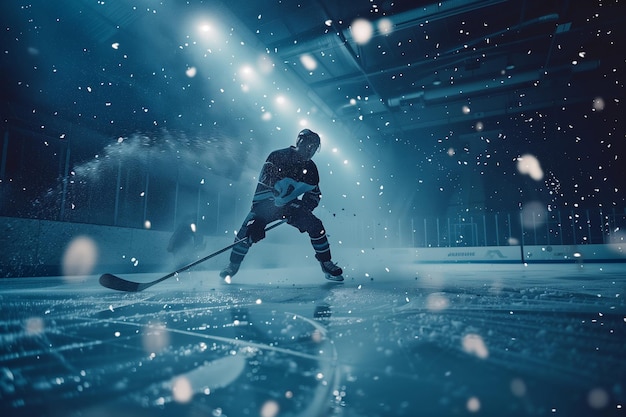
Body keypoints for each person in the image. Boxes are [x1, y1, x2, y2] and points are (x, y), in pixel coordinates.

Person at [220, 129, 343, 282]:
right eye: (308, 145)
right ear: (299, 142)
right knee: (248, 232)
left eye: (314, 147)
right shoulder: (278, 157)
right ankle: (233, 265)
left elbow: (314, 194)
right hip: (265, 205)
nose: (310, 150)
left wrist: (304, 208)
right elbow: (264, 188)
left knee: (316, 226)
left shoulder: (311, 170)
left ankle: (326, 262)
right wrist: (259, 220)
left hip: (290, 206)